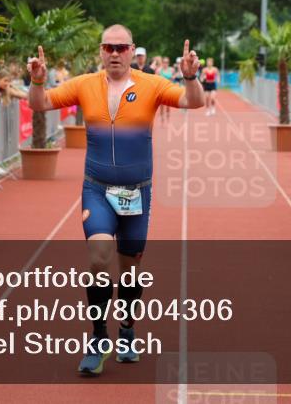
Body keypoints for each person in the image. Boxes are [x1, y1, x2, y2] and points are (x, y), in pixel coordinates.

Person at [27, 25, 204, 376]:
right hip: (97, 189)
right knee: (98, 256)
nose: (115, 54)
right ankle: (97, 337)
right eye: (109, 47)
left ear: (132, 50)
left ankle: (126, 331)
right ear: (101, 51)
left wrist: (190, 78)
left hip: (138, 191)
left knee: (130, 269)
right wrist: (36, 82)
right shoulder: (84, 84)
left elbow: (192, 101)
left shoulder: (151, 84)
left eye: (122, 48)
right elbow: (42, 104)